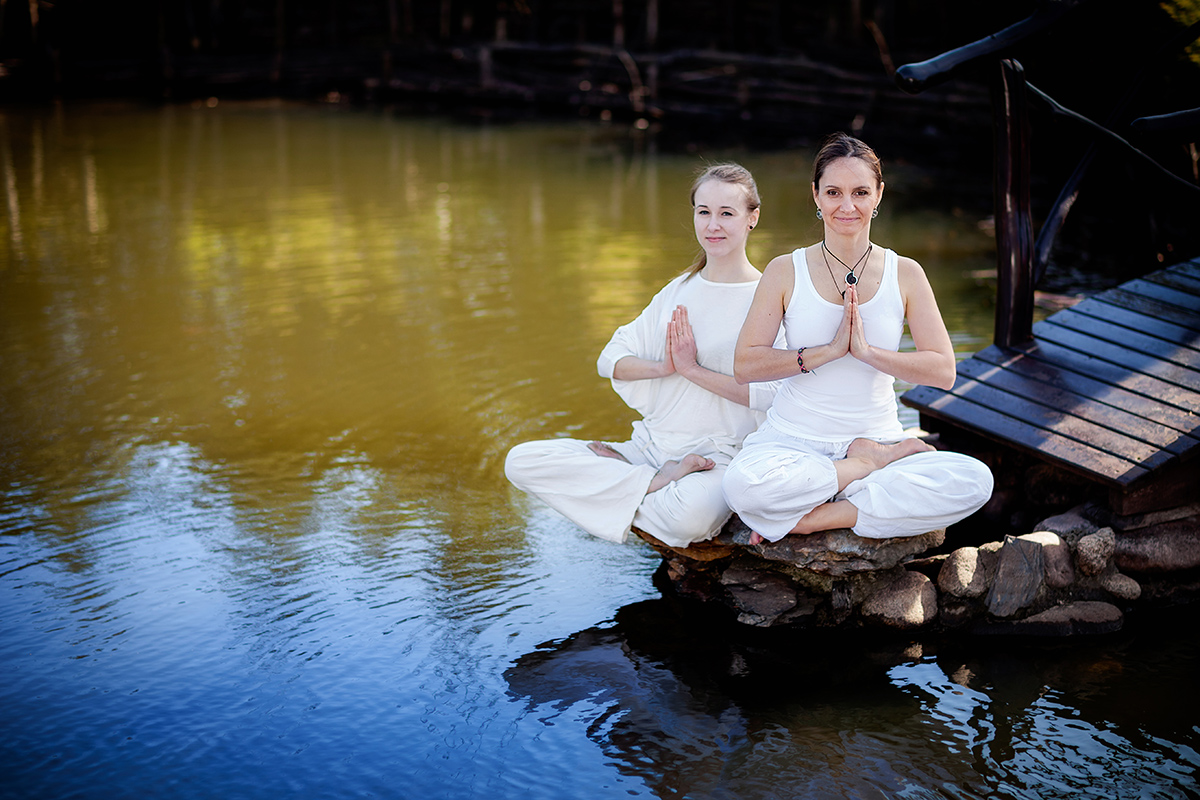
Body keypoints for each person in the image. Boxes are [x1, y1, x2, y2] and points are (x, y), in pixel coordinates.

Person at [722, 133, 993, 544]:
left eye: (860, 192)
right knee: (742, 485)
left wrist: (867, 353)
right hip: (795, 442)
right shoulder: (784, 270)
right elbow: (745, 365)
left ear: (879, 194)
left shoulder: (906, 273)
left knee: (975, 480)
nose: (847, 206)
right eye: (833, 192)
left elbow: (943, 371)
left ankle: (813, 517)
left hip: (880, 434)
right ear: (815, 195)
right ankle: (862, 472)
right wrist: (827, 352)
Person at [505, 163, 782, 548]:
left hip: (714, 461)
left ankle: (628, 489)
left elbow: (773, 395)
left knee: (689, 518)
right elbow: (611, 359)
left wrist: (690, 369)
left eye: (726, 214)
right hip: (649, 451)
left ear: (752, 219)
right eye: (703, 212)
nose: (712, 225)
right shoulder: (678, 289)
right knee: (521, 461)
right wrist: (663, 367)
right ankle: (654, 482)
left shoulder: (768, 296)